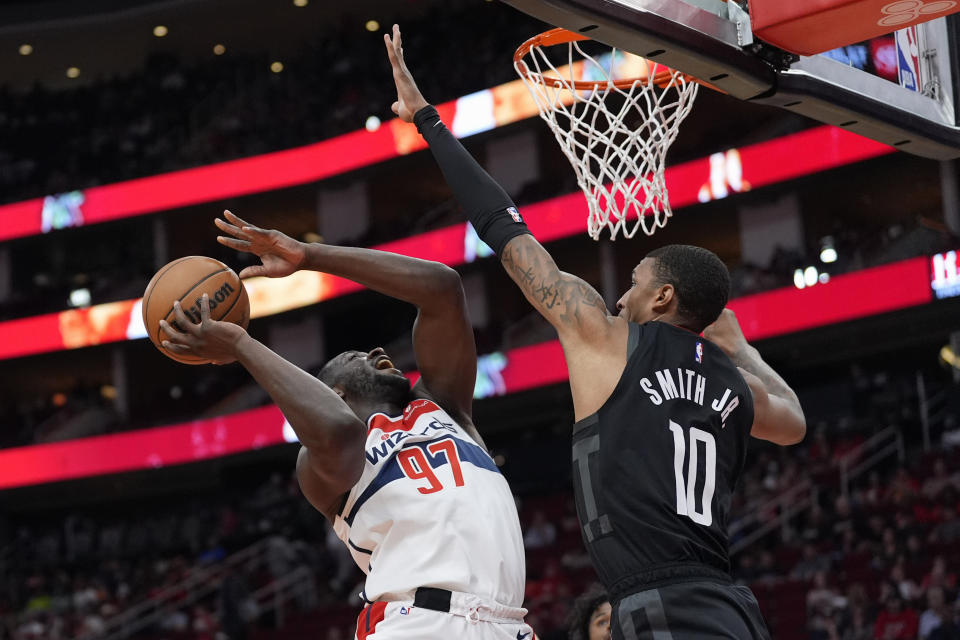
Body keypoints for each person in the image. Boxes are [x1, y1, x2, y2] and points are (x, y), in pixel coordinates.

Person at [384, 24, 806, 639]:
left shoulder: (604, 335)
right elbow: (792, 421)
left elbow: (501, 226)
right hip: (728, 604)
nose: (621, 292)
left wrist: (428, 119)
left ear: (663, 297)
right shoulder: (737, 385)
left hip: (658, 600)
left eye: (636, 280)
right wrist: (742, 349)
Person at [160, 210, 533, 639]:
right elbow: (340, 431)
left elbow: (442, 289)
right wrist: (242, 344)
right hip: (422, 624)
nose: (375, 349)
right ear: (334, 393)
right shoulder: (319, 466)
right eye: (355, 358)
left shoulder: (445, 407)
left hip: (508, 625)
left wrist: (309, 255)